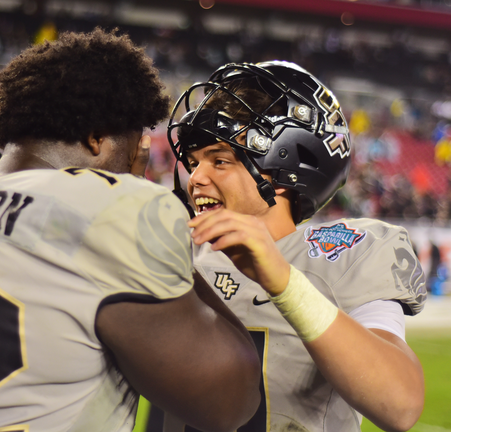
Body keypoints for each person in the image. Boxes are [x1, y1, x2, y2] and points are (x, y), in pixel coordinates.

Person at [0, 29, 261, 432]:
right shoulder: (110, 207)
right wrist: (142, 212)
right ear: (97, 138)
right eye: (134, 144)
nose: (137, 158)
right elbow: (229, 402)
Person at [165, 60, 427, 432]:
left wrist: (286, 284)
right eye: (193, 163)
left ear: (285, 167)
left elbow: (399, 404)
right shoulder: (177, 252)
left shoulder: (342, 254)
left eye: (219, 161)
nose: (196, 178)